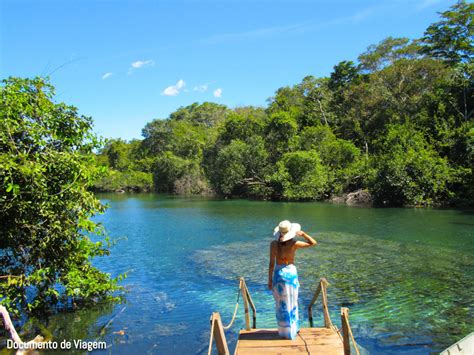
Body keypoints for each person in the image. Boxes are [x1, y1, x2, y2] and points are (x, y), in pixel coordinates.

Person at [268, 220, 317, 339]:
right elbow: (313, 243)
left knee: (281, 303)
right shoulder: (294, 244)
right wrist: (303, 234)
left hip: (279, 275)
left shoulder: (273, 244)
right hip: (290, 275)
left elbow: (271, 264)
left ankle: (283, 331)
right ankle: (293, 330)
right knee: (292, 301)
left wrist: (269, 280)